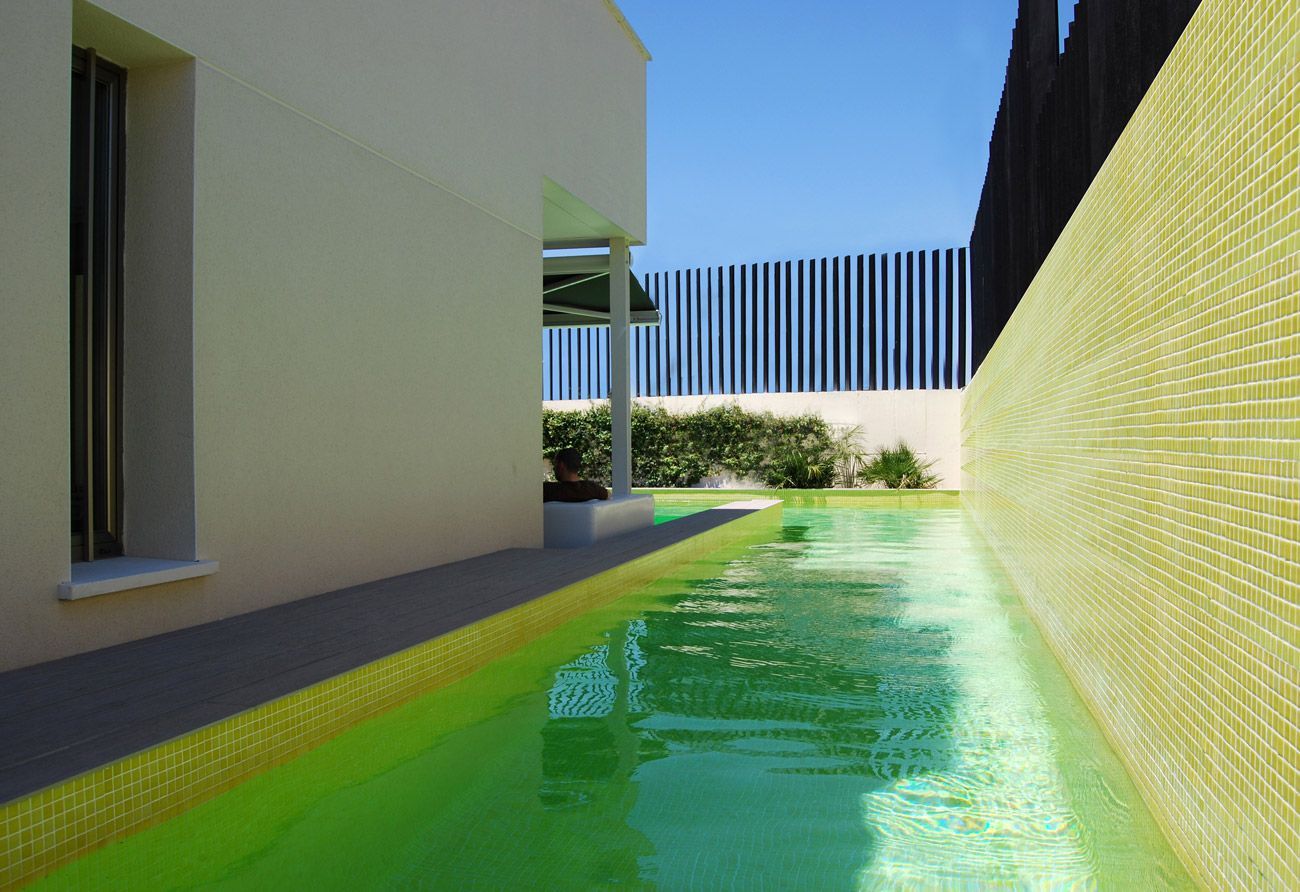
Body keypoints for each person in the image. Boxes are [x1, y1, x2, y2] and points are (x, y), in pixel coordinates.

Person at [544, 448, 610, 502]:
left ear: (561, 465)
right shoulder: (592, 489)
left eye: (555, 464)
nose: (554, 468)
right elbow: (608, 495)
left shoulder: (549, 490)